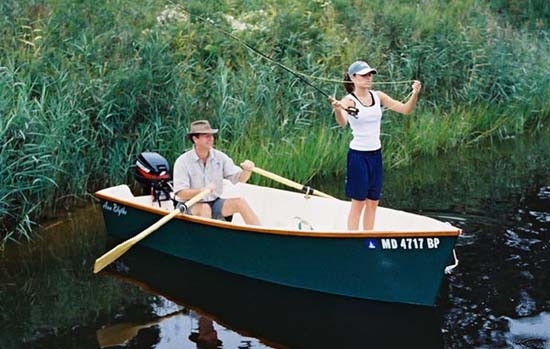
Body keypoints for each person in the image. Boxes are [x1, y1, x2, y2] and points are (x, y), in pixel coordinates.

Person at [329, 60, 422, 230]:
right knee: (358, 204)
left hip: (375, 155)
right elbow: (342, 122)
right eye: (364, 74)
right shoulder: (349, 100)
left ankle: (368, 239)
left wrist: (414, 94)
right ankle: (353, 242)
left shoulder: (378, 96)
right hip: (358, 156)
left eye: (370, 74)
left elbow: (405, 109)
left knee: (373, 202)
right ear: (353, 77)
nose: (368, 77)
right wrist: (337, 108)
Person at [173, 120, 260, 225]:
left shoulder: (220, 157)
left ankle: (263, 235)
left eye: (212, 136)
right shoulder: (183, 161)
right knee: (205, 209)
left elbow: (240, 179)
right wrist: (202, 190)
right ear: (195, 139)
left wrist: (247, 170)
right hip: (188, 204)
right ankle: (208, 240)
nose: (211, 139)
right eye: (206, 136)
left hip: (214, 203)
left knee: (240, 202)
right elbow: (181, 193)